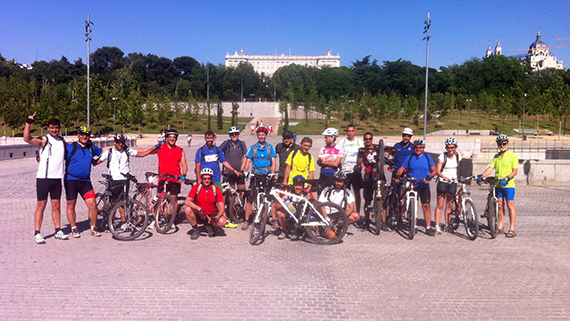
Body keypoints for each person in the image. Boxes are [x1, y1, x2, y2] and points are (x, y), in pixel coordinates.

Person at [23, 113, 69, 244]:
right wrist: (28, 123)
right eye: (52, 128)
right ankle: (37, 232)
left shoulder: (62, 141)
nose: (54, 130)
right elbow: (27, 139)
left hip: (57, 178)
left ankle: (58, 230)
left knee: (57, 205)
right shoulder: (44, 140)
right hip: (43, 179)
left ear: (59, 128)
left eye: (56, 128)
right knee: (41, 206)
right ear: (48, 128)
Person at [64, 126, 105, 238]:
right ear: (78, 135)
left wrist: (117, 145)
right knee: (71, 205)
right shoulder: (70, 147)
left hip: (85, 181)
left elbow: (103, 150)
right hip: (71, 180)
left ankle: (93, 227)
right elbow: (56, 155)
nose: (84, 136)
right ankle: (74, 228)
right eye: (82, 134)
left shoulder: (91, 148)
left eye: (87, 135)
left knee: (92, 205)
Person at [97, 133, 158, 204]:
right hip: (114, 180)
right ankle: (110, 215)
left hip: (125, 180)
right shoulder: (109, 152)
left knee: (123, 202)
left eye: (123, 143)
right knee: (113, 204)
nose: (121, 145)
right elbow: (96, 162)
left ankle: (124, 216)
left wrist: (154, 149)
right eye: (119, 142)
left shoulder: (127, 151)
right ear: (115, 142)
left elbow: (141, 154)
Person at [477, 134, 518, 238]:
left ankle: (512, 229)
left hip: (508, 185)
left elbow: (515, 171)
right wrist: (482, 176)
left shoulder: (513, 156)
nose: (502, 145)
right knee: (500, 206)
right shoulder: (496, 156)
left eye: (504, 144)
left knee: (510, 206)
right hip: (498, 184)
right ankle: (500, 226)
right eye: (500, 144)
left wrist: (507, 178)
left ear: (507, 144)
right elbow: (491, 168)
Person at [394, 139, 437, 237]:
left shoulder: (427, 157)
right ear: (414, 148)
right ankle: (414, 225)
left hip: (424, 185)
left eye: (420, 147)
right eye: (416, 147)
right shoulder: (409, 157)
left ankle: (428, 227)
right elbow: (401, 168)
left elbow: (434, 170)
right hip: (413, 184)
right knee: (414, 206)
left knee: (426, 206)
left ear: (423, 148)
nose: (418, 149)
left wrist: (429, 177)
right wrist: (397, 176)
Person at [241, 126, 277, 230]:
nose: (261, 136)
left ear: (266, 135)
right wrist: (246, 171)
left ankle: (274, 220)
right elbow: (248, 160)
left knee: (271, 198)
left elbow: (273, 161)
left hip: (267, 175)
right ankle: (247, 220)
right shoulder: (253, 147)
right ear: (257, 135)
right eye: (259, 134)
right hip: (255, 175)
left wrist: (273, 173)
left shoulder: (270, 148)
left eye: (263, 134)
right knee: (251, 198)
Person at [184, 168, 227, 240]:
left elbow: (222, 207)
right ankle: (196, 230)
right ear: (201, 178)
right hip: (199, 212)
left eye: (209, 178)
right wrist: (199, 208)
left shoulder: (216, 189)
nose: (206, 180)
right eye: (204, 178)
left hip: (212, 213)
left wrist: (216, 218)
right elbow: (187, 201)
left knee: (223, 221)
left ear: (211, 179)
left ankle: (209, 224)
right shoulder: (196, 187)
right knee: (187, 209)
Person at [434, 137, 462, 234]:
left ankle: (447, 225)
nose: (450, 149)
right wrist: (444, 177)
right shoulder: (442, 156)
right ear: (446, 148)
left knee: (449, 205)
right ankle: (437, 225)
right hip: (443, 181)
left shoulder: (458, 156)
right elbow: (438, 171)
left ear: (455, 147)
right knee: (440, 205)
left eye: (452, 147)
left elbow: (457, 168)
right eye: (449, 147)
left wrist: (456, 177)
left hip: (453, 182)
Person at [156, 128, 188, 212]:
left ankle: (171, 220)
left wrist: (183, 176)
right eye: (170, 136)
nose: (172, 138)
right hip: (163, 178)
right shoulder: (161, 148)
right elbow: (146, 152)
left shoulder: (180, 150)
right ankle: (156, 221)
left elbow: (184, 165)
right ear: (166, 138)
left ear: (176, 138)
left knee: (173, 200)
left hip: (175, 178)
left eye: (174, 137)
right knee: (159, 199)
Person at [357, 132, 383, 230]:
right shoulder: (362, 150)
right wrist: (360, 154)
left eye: (370, 138)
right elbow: (359, 163)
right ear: (364, 140)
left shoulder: (377, 148)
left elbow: (384, 155)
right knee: (367, 199)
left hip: (378, 174)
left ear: (372, 139)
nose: (368, 140)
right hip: (368, 175)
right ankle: (367, 221)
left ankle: (381, 220)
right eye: (366, 139)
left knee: (381, 197)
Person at [337, 124, 364, 213]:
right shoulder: (342, 142)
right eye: (349, 131)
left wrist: (361, 164)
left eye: (352, 131)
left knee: (357, 192)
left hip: (355, 171)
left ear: (354, 132)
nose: (350, 133)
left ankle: (357, 212)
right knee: (345, 193)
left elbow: (363, 155)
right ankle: (344, 213)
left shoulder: (359, 142)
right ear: (346, 132)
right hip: (345, 171)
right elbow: (338, 155)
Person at [273, 175, 311, 239]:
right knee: (279, 213)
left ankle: (307, 232)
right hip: (292, 217)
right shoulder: (289, 194)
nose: (298, 187)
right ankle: (284, 232)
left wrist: (310, 200)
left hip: (303, 218)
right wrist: (284, 203)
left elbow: (315, 206)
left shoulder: (306, 194)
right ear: (293, 185)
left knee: (314, 224)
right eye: (296, 185)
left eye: (300, 185)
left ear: (303, 186)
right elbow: (277, 206)